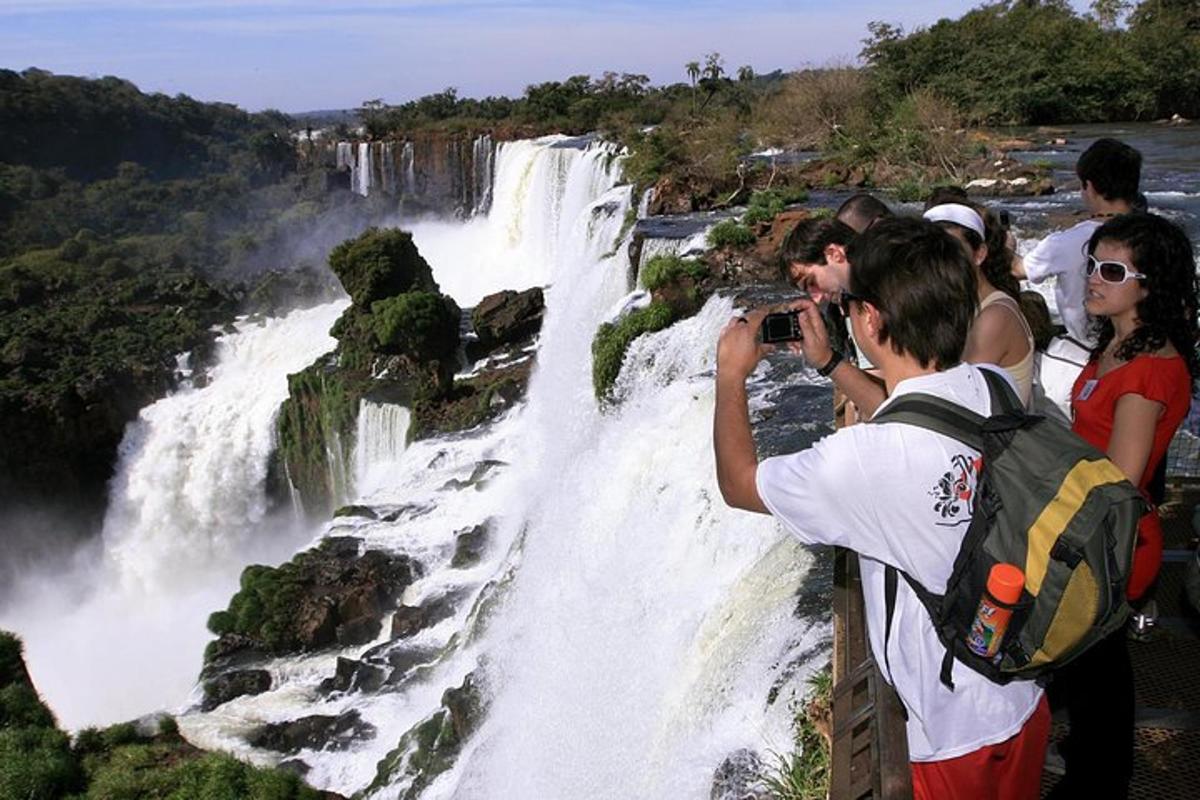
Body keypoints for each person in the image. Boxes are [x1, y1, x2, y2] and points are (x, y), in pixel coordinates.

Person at [715, 217, 1049, 799]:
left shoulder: (865, 461)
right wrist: (828, 365)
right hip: (1024, 695)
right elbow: (917, 407)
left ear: (869, 318)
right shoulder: (991, 385)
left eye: (849, 305)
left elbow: (740, 484)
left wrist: (730, 374)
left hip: (948, 735)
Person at [1046, 212, 1200, 799]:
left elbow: (1119, 480)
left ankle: (1097, 780)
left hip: (1111, 542)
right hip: (1095, 534)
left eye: (1111, 270)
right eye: (1093, 264)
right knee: (1095, 672)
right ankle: (1094, 766)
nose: (1093, 278)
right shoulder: (1117, 344)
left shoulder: (1145, 371)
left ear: (1148, 284)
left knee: (1097, 675)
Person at [1014, 137, 1142, 345]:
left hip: (1085, 350)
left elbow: (1018, 269)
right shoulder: (1158, 235)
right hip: (1145, 345)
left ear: (1089, 186)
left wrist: (1003, 244)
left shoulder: (1067, 242)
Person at [924, 201, 1036, 406]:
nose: (940, 260)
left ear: (979, 254)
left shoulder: (996, 316)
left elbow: (953, 397)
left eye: (952, 250)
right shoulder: (954, 307)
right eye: (931, 251)